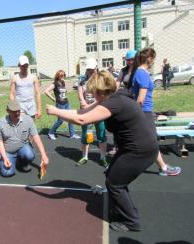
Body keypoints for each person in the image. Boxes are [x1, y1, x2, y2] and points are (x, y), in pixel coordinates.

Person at [46, 70, 159, 232]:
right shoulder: (112, 97)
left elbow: (81, 120)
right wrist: (61, 111)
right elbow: (82, 112)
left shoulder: (113, 102)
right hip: (133, 147)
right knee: (112, 176)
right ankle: (123, 210)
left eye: (95, 92)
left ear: (102, 91)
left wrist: (57, 111)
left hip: (140, 150)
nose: (93, 95)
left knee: (115, 183)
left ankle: (131, 221)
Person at [131, 48, 181, 176]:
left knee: (149, 141)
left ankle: (162, 167)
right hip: (144, 113)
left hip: (145, 112)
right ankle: (163, 167)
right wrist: (137, 115)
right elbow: (140, 100)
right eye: (153, 59)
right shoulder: (142, 73)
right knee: (151, 142)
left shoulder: (141, 72)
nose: (154, 62)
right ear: (150, 59)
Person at [0, 100, 49, 177]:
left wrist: (44, 155)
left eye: (18, 110)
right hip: (8, 152)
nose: (17, 113)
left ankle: (21, 161)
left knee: (29, 155)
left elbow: (36, 136)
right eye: (13, 111)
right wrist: (5, 158)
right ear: (8, 111)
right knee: (7, 173)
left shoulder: (28, 119)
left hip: (23, 147)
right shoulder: (0, 123)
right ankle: (10, 160)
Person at [77, 58, 108, 167]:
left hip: (98, 111)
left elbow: (103, 96)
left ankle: (103, 157)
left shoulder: (101, 80)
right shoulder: (82, 80)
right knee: (87, 134)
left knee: (101, 133)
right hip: (86, 111)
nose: (90, 71)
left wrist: (94, 105)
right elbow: (80, 94)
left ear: (96, 68)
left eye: (92, 69)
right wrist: (83, 103)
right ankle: (84, 156)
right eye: (88, 69)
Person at [45, 70, 80, 140]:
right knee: (60, 121)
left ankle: (72, 134)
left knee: (71, 118)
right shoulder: (55, 83)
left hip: (67, 103)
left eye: (64, 75)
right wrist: (53, 98)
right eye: (61, 75)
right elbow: (46, 91)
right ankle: (51, 132)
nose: (63, 76)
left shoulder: (63, 82)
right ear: (58, 76)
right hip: (60, 104)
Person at [10, 55, 42, 119]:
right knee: (22, 124)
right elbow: (12, 94)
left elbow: (38, 93)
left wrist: (39, 109)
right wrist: (13, 107)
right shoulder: (15, 78)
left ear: (28, 65)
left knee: (31, 124)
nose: (25, 67)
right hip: (20, 104)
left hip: (31, 104)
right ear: (19, 65)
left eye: (26, 65)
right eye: (22, 65)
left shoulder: (33, 77)